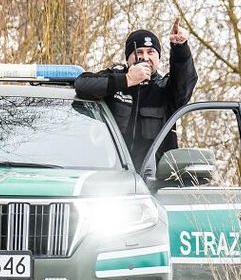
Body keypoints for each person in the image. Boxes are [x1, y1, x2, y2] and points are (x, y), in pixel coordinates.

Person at [74, 18, 197, 169]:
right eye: (139, 52)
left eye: (151, 52)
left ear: (158, 57)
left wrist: (180, 48)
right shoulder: (115, 78)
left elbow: (185, 84)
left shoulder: (166, 88)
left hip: (154, 180)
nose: (145, 57)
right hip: (110, 175)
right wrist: (128, 79)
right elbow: (82, 84)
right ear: (128, 58)